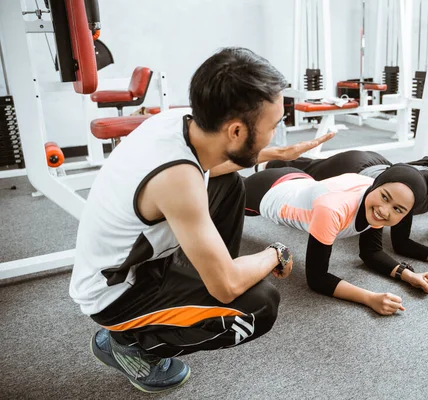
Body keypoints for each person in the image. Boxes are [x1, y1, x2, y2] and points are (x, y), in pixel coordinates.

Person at [69, 47, 331, 393]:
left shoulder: (177, 123)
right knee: (259, 305)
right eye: (274, 127)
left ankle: (198, 280)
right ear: (236, 130)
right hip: (117, 295)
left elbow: (218, 166)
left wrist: (279, 154)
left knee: (230, 185)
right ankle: (130, 345)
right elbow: (226, 287)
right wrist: (276, 251)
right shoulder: (177, 179)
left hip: (134, 261)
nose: (276, 134)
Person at [264, 142, 428, 271]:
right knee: (306, 172)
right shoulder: (416, 190)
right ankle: (270, 162)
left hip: (381, 164)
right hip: (357, 169)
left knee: (308, 170)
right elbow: (400, 244)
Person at [243, 164, 428, 315]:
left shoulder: (377, 197)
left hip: (298, 179)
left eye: (398, 209)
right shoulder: (333, 209)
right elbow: (317, 278)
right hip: (263, 193)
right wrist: (370, 298)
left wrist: (409, 275)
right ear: (375, 187)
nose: (385, 210)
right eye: (385, 198)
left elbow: (372, 253)